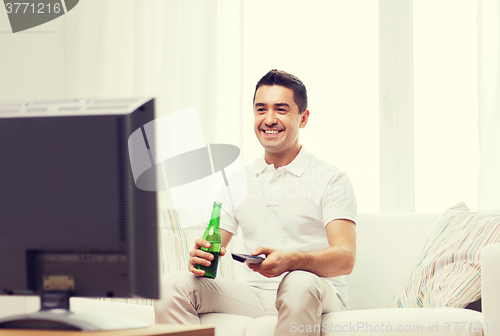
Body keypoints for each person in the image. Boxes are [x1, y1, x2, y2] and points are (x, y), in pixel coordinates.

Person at [155, 69, 357, 336]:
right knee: (171, 285)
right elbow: (214, 245)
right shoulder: (237, 181)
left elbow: (345, 258)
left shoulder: (331, 179)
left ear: (303, 118)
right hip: (256, 295)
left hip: (317, 293)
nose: (269, 119)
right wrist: (202, 256)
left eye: (281, 109)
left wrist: (291, 261)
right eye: (261, 110)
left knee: (297, 282)